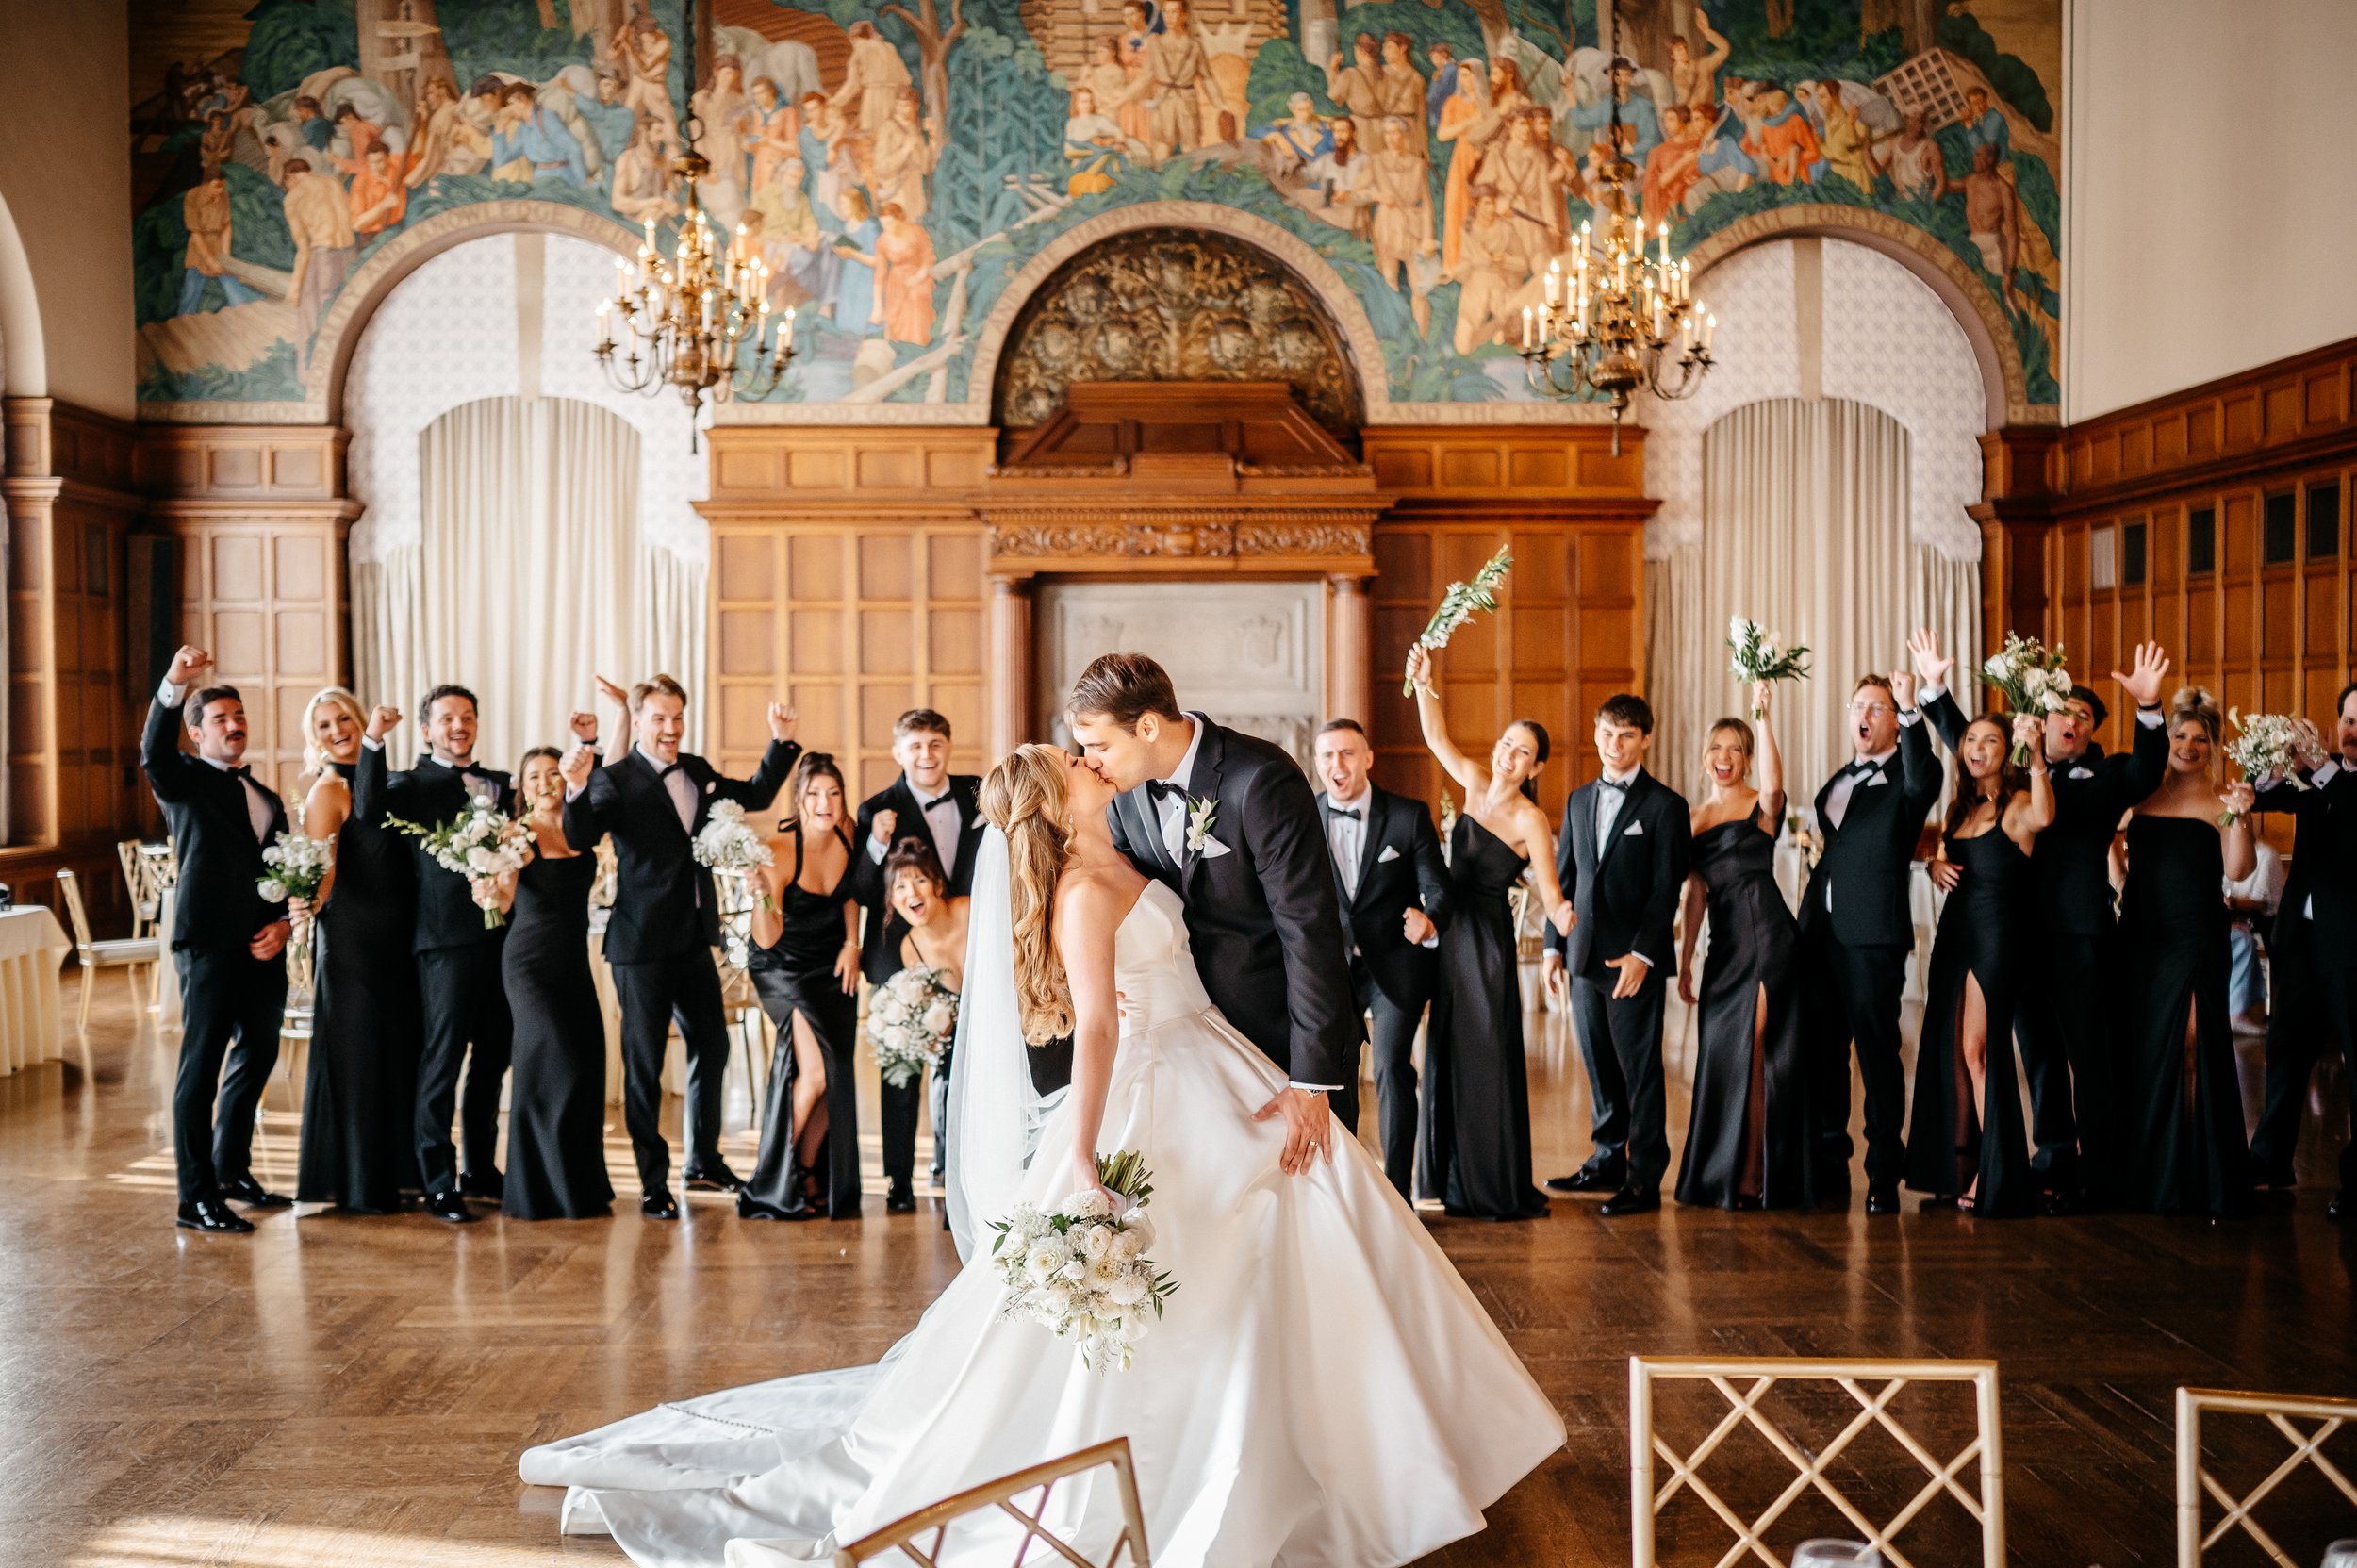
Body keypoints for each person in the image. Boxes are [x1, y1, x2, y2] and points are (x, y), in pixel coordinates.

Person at [519, 744, 1568, 1565]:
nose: (1091, 761)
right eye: (1076, 761)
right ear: (1057, 798)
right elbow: (1101, 1029)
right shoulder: (1075, 889)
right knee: (1215, 1273)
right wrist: (1079, 1155)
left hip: (1223, 1062)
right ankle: (1226, 1473)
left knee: (1317, 1228)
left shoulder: (1133, 847)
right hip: (1159, 1086)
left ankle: (1374, 1454)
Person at [1066, 652, 1360, 1164]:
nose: (1092, 761)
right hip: (1193, 1058)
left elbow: (1309, 931)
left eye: (1099, 745)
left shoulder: (1261, 779)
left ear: (1149, 727)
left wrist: (1311, 1079)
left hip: (1279, 1041)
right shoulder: (1122, 795)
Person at [1914, 632, 2171, 1211]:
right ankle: (2053, 1162)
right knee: (2039, 1059)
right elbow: (1967, 744)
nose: (2072, 724)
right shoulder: (2005, 775)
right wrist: (1934, 688)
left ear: (2092, 731)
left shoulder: (2107, 778)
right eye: (2063, 713)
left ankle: (2103, 1176)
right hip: (2014, 938)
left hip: (2077, 934)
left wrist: (2150, 708)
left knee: (2089, 1058)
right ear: (2041, 722)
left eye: (2084, 717)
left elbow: (2148, 772)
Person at [559, 675, 799, 1218]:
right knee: (643, 1066)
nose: (670, 729)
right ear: (639, 721)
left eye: (677, 718)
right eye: (660, 719)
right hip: (640, 944)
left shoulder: (695, 769)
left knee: (712, 1048)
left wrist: (780, 741)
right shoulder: (613, 778)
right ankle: (652, 1181)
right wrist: (576, 787)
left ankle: (704, 1160)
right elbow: (580, 838)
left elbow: (756, 794)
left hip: (694, 937)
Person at [1403, 646, 1573, 1219]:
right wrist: (1426, 683)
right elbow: (1436, 738)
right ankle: (1448, 1181)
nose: (1508, 754)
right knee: (1446, 1051)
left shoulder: (1532, 820)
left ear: (1536, 767)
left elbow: (1550, 893)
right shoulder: (1474, 781)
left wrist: (1568, 922)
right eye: (1506, 743)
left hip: (1489, 944)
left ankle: (1490, 1185)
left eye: (1522, 752)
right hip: (1450, 935)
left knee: (1485, 1054)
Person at [141, 647, 295, 1233]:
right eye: (221, 719)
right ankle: (195, 1197)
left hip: (262, 944)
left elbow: (281, 873)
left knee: (258, 1053)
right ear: (198, 733)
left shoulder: (266, 796)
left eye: (240, 717)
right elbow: (153, 750)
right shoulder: (181, 781)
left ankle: (232, 1173)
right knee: (200, 1068)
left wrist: (282, 926)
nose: (235, 725)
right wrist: (174, 684)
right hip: (208, 943)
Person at [354, 686, 515, 1224]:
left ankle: (480, 1168)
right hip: (444, 943)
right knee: (443, 1060)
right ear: (426, 730)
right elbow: (367, 809)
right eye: (447, 718)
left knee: (493, 1060)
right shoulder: (409, 784)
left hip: (503, 942)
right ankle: (437, 1179)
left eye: (467, 716)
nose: (458, 725)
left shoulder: (503, 784)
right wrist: (373, 741)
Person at [1537, 691, 1689, 1216]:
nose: (1614, 745)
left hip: (1632, 964)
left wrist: (1643, 956)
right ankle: (1607, 1159)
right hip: (1582, 956)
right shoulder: (1579, 799)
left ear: (1645, 739)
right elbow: (1564, 878)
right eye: (1606, 733)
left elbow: (1665, 889)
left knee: (1639, 1068)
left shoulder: (1666, 806)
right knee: (1598, 1063)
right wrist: (1553, 948)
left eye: (1626, 735)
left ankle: (1645, 1175)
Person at [1797, 668, 1940, 1213]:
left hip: (1872, 936)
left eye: (1877, 708)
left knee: (1877, 1055)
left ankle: (1883, 1171)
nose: (1864, 716)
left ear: (1895, 724)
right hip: (1821, 937)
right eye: (1859, 706)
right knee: (1825, 1052)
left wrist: (1911, 708)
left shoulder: (1907, 778)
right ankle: (1831, 1160)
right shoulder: (1838, 779)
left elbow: (1927, 780)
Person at [1905, 711, 2053, 1215]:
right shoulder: (1959, 811)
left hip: (1997, 936)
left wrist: (2035, 757)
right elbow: (1946, 857)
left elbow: (2046, 819)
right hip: (1956, 934)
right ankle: (1959, 1171)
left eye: (1991, 740)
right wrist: (1932, 865)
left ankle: (2002, 1176)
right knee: (1951, 1051)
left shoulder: (2018, 805)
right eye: (1970, 739)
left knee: (1976, 1050)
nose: (1977, 748)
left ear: (2005, 751)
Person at [2117, 688, 2257, 1218]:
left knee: (2195, 1044)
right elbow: (2109, 844)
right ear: (2166, 739)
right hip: (2142, 937)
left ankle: (2204, 1175)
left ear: (2215, 745)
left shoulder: (2224, 801)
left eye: (2201, 738)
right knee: (2149, 1051)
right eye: (2180, 735)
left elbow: (2239, 871)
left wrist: (2241, 817)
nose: (2189, 745)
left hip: (2197, 935)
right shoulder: (2141, 796)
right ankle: (2155, 1176)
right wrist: (2120, 883)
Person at [1673, 688, 1809, 1211]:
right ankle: (1721, 1172)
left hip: (1767, 933)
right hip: (1723, 944)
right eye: (1716, 748)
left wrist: (1764, 712)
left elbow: (1776, 785)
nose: (1724, 758)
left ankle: (1754, 1174)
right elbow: (1695, 893)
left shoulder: (1761, 803)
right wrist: (1686, 961)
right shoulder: (1692, 817)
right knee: (1722, 1053)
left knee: (1756, 1049)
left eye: (1735, 749)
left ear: (1747, 756)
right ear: (1705, 756)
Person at [850, 709, 987, 1213]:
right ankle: (898, 1179)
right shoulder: (877, 810)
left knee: (962, 1062)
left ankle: (955, 1165)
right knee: (903, 1067)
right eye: (915, 746)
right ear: (898, 753)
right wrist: (875, 843)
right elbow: (863, 891)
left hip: (966, 938)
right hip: (900, 953)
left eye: (934, 744)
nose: (926, 755)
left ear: (948, 746)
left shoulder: (978, 794)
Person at [290, 686, 419, 1215]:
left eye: (342, 717)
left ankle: (402, 1174)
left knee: (399, 1054)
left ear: (361, 720)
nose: (336, 729)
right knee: (360, 1058)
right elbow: (322, 876)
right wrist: (300, 910)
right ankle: (362, 1184)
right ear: (314, 739)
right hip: (353, 945)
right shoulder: (328, 790)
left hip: (401, 942)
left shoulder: (388, 780)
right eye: (323, 725)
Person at [1311, 718, 1450, 1198]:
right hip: (1333, 972)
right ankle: (1348, 1193)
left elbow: (1438, 884)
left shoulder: (1407, 816)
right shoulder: (1305, 818)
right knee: (1339, 1074)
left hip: (1396, 965)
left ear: (1367, 758)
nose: (1337, 765)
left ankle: (1396, 1194)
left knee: (1392, 1067)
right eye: (1327, 755)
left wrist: (1430, 918)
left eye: (1347, 753)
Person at [488, 741, 614, 1221]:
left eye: (552, 774)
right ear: (522, 786)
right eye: (534, 776)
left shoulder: (580, 828)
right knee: (554, 1058)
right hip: (529, 964)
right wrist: (491, 887)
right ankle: (539, 1189)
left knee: (585, 1063)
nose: (545, 783)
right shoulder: (514, 834)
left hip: (572, 964)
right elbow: (501, 906)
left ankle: (578, 1187)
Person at [2247, 681, 2357, 1217]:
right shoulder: (2322, 771)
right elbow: (2267, 793)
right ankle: (2269, 1159)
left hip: (2354, 947)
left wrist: (2319, 766)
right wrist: (2269, 757)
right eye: (2349, 720)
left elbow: (2348, 804)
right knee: (2284, 1049)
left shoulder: (2334, 777)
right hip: (2301, 940)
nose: (2353, 731)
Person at [739, 752, 864, 1221]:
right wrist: (761, 895)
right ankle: (768, 1179)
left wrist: (853, 943)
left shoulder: (849, 832)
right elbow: (766, 936)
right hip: (783, 967)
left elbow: (851, 891)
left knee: (835, 1078)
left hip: (833, 964)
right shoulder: (780, 847)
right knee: (813, 1074)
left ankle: (808, 1173)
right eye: (814, 793)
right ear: (799, 799)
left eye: (833, 792)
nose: (825, 802)